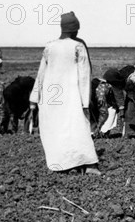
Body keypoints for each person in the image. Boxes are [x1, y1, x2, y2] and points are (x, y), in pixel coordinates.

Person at [29, 11, 100, 175]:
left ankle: (64, 165)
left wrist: (35, 97)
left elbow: (41, 73)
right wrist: (85, 102)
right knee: (78, 127)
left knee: (57, 129)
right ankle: (89, 165)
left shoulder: (49, 46)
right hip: (72, 95)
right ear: (75, 29)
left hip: (51, 96)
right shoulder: (78, 46)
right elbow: (84, 74)